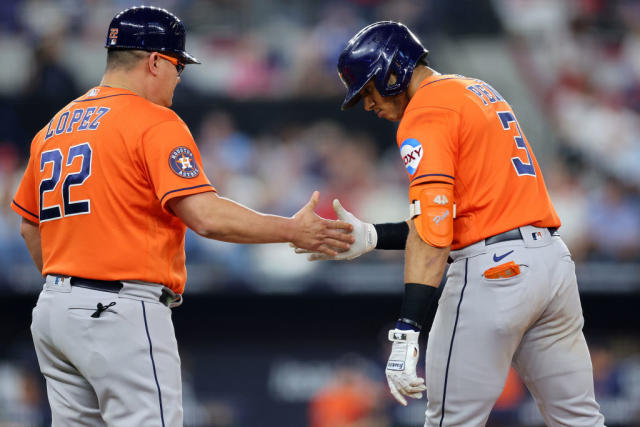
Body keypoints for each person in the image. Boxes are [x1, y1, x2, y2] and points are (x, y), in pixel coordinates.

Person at [11, 6, 353, 426]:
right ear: (155, 61)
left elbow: (29, 224)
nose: (179, 77)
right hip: (120, 310)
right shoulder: (153, 120)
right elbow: (205, 216)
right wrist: (292, 230)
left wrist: (71, 288)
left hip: (54, 311)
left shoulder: (54, 126)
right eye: (177, 66)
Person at [298, 21, 605, 426]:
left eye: (369, 88)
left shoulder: (425, 111)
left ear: (393, 72)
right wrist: (373, 235)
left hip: (495, 272)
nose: (368, 104)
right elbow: (461, 213)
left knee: (451, 421)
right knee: (579, 419)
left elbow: (434, 232)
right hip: (551, 265)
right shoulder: (474, 90)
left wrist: (407, 332)